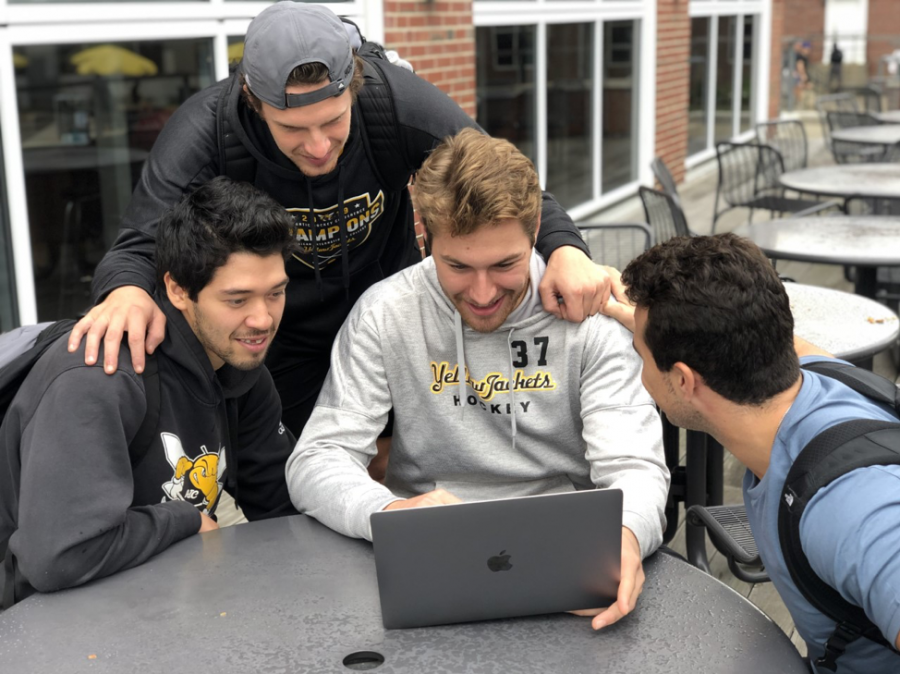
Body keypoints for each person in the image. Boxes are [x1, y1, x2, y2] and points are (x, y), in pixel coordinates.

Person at [68, 1, 610, 439]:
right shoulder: (206, 132)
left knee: (411, 464)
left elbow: (505, 183)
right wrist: (125, 293)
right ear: (254, 101)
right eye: (293, 130)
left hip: (389, 325)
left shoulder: (393, 102)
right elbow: (138, 245)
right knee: (305, 483)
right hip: (282, 340)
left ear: (355, 84)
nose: (319, 145)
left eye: (332, 120)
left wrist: (565, 249)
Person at [286, 129, 670, 631]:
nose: (483, 291)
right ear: (425, 236)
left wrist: (626, 537)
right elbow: (316, 458)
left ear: (535, 229)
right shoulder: (386, 312)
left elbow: (637, 468)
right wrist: (387, 511)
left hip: (567, 567)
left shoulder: (587, 318)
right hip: (426, 558)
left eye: (505, 264)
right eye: (458, 266)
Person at [601, 233, 900, 673]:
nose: (642, 370)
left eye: (641, 356)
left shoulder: (852, 512)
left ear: (684, 380)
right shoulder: (817, 372)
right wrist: (644, 317)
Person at [0, 177, 299, 605]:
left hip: (155, 600)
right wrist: (185, 519)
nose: (263, 319)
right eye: (237, 300)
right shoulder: (100, 376)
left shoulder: (240, 369)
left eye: (276, 293)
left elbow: (282, 511)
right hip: (32, 621)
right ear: (177, 289)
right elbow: (57, 558)